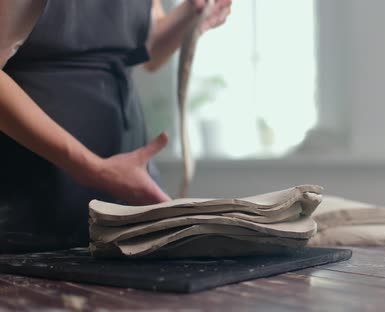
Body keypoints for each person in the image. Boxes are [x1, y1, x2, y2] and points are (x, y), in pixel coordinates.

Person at [0, 0, 232, 253]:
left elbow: (149, 49)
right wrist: (92, 168)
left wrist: (191, 12)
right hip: (30, 190)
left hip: (126, 183)